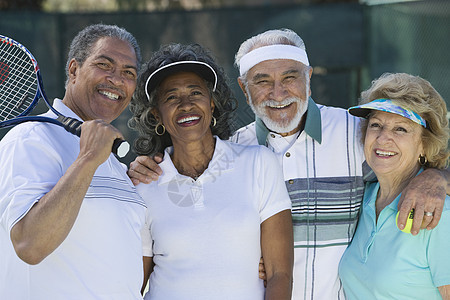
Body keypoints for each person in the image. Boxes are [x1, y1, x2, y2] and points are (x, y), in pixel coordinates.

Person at [128, 29, 449, 299]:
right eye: (262, 80)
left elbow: (416, 155)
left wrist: (436, 176)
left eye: (290, 77)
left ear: (309, 77)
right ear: (244, 88)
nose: (278, 92)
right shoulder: (234, 152)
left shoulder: (360, 135)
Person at [128, 43, 294, 299]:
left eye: (196, 93)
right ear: (157, 116)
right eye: (171, 97)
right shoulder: (143, 184)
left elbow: (279, 275)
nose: (186, 105)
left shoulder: (259, 163)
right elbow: (133, 283)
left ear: (212, 104)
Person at [0, 24, 146, 299]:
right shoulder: (30, 139)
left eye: (128, 73)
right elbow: (30, 245)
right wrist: (88, 159)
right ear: (74, 70)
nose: (116, 80)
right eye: (105, 65)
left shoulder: (113, 160)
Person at [339, 73, 450, 299]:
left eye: (401, 129)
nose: (382, 138)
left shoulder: (440, 213)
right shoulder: (363, 198)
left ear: (424, 144)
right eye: (376, 125)